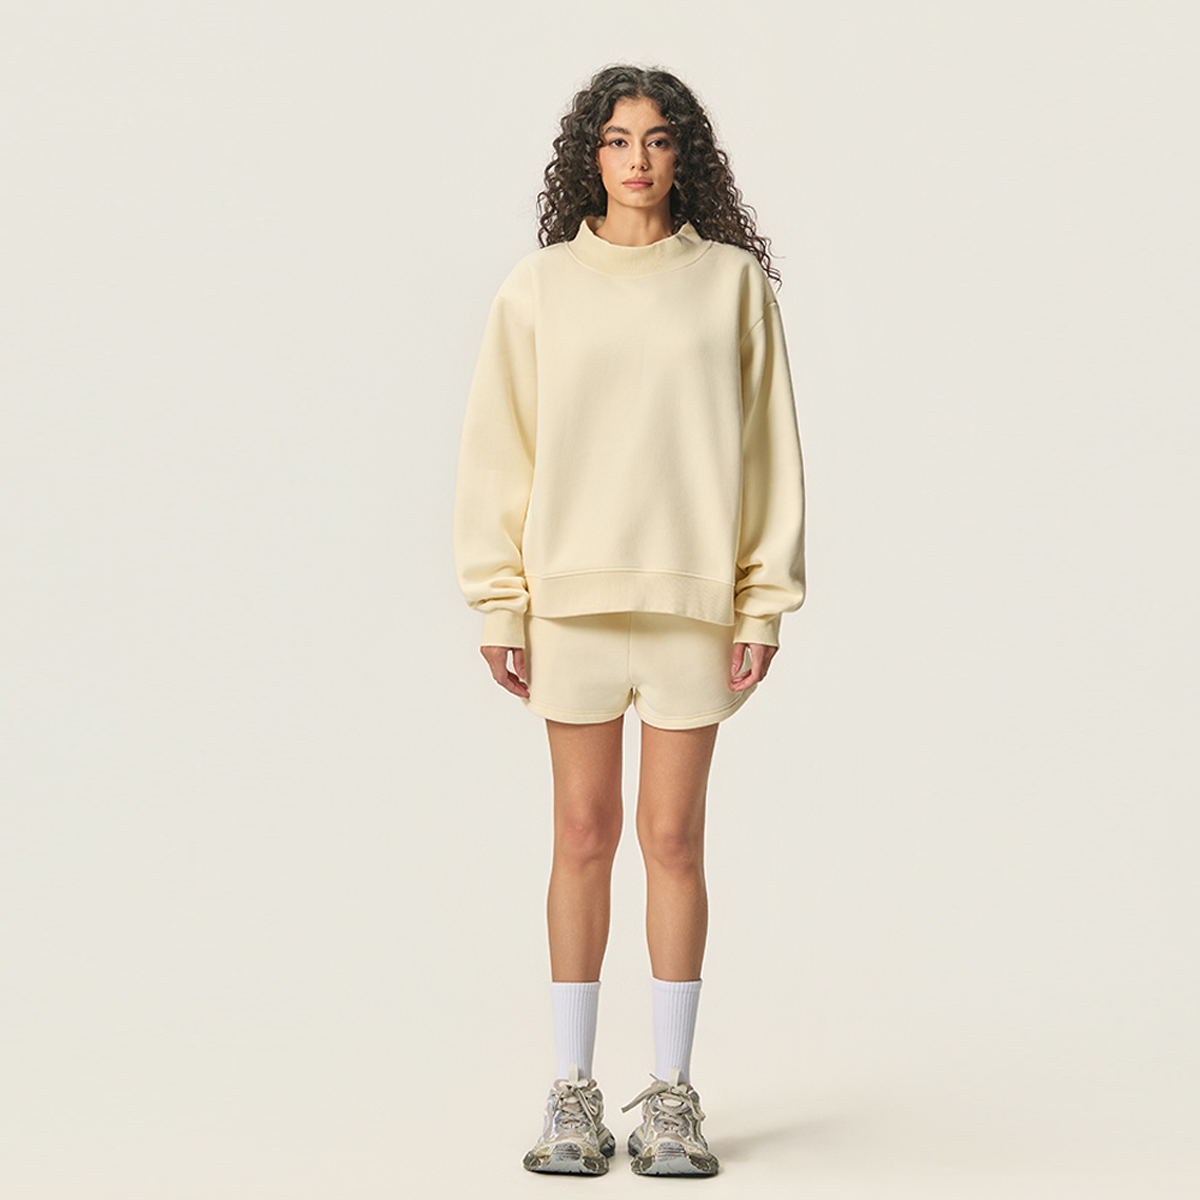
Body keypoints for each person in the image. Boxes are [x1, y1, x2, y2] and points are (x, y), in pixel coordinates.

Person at [452, 63, 806, 1177]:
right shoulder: (538, 288)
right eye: (616, 140)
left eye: (657, 139)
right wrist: (500, 600)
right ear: (590, 157)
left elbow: (769, 453)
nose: (638, 159)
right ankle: (571, 1093)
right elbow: (499, 450)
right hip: (572, 605)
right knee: (581, 835)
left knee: (673, 841)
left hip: (693, 605)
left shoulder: (733, 284)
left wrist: (762, 600)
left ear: (684, 153)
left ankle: (672, 1098)